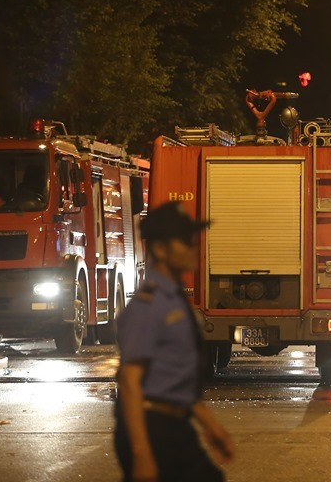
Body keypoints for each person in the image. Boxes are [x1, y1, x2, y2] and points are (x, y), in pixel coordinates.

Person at [114, 201, 235, 482]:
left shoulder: (173, 299)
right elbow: (130, 382)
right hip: (151, 429)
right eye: (185, 242)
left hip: (175, 425)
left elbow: (174, 379)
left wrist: (210, 425)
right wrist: (142, 455)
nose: (194, 248)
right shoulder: (149, 305)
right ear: (160, 249)